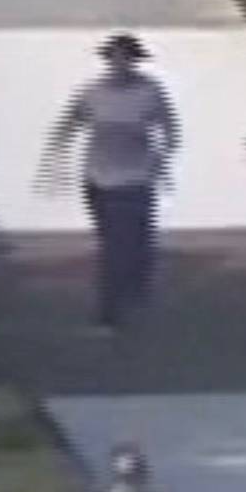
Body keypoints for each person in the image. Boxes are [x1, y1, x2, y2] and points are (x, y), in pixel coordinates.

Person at [40, 33, 183, 332]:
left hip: (135, 176)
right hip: (98, 174)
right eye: (115, 57)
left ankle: (113, 304)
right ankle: (130, 287)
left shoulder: (149, 91)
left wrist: (159, 160)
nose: (120, 63)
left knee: (126, 240)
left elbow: (170, 128)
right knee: (113, 238)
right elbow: (71, 120)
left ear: (135, 61)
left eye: (126, 58)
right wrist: (56, 151)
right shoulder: (92, 91)